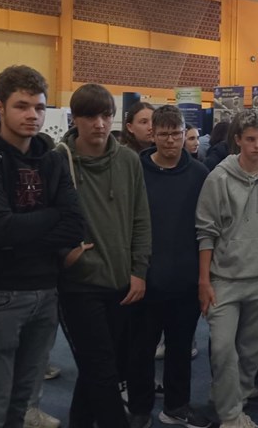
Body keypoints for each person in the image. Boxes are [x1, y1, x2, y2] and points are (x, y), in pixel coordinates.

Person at [0, 65, 84, 428]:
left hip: (46, 290)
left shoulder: (53, 158)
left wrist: (20, 233)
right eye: (22, 106)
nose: (32, 115)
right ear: (0, 107)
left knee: (23, 402)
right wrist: (53, 214)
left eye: (39, 107)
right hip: (1, 295)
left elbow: (75, 225)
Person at [57, 83, 152, 428]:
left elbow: (141, 218)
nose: (99, 124)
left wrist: (139, 270)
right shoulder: (58, 160)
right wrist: (63, 254)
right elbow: (44, 215)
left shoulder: (128, 160)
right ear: (75, 118)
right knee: (102, 369)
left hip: (122, 282)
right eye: (90, 116)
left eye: (106, 115)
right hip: (79, 285)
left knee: (98, 365)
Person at [196, 110, 258, 428]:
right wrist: (204, 281)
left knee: (251, 351)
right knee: (223, 349)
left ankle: (235, 395)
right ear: (237, 140)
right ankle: (230, 415)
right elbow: (205, 232)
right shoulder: (218, 179)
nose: (257, 146)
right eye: (250, 139)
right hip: (224, 281)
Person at [126, 106, 210, 428]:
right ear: (153, 135)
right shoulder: (136, 169)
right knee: (140, 351)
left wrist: (203, 279)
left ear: (185, 133)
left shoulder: (200, 174)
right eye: (164, 134)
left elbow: (207, 230)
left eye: (177, 134)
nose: (171, 140)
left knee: (180, 349)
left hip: (185, 281)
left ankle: (177, 405)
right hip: (144, 279)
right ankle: (139, 408)